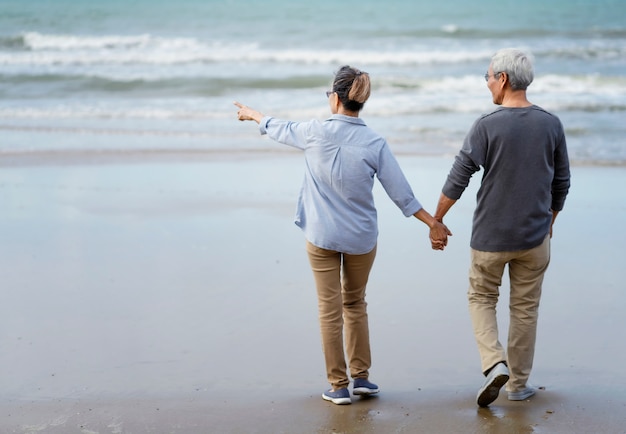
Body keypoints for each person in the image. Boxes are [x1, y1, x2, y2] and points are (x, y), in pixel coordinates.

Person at [234, 65, 451, 405]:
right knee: (355, 303)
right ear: (359, 102)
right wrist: (432, 223)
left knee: (329, 308)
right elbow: (401, 193)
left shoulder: (313, 131)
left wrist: (251, 114)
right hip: (361, 241)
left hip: (321, 237)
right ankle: (361, 377)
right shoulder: (374, 142)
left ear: (335, 98)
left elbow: (277, 127)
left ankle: (338, 385)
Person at [432, 48, 571, 407]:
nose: (488, 84)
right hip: (535, 238)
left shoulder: (487, 124)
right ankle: (518, 385)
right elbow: (562, 182)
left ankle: (494, 363)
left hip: (490, 238)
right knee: (525, 309)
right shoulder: (551, 124)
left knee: (481, 297)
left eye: (488, 77)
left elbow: (458, 177)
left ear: (503, 79)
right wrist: (549, 221)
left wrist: (438, 219)